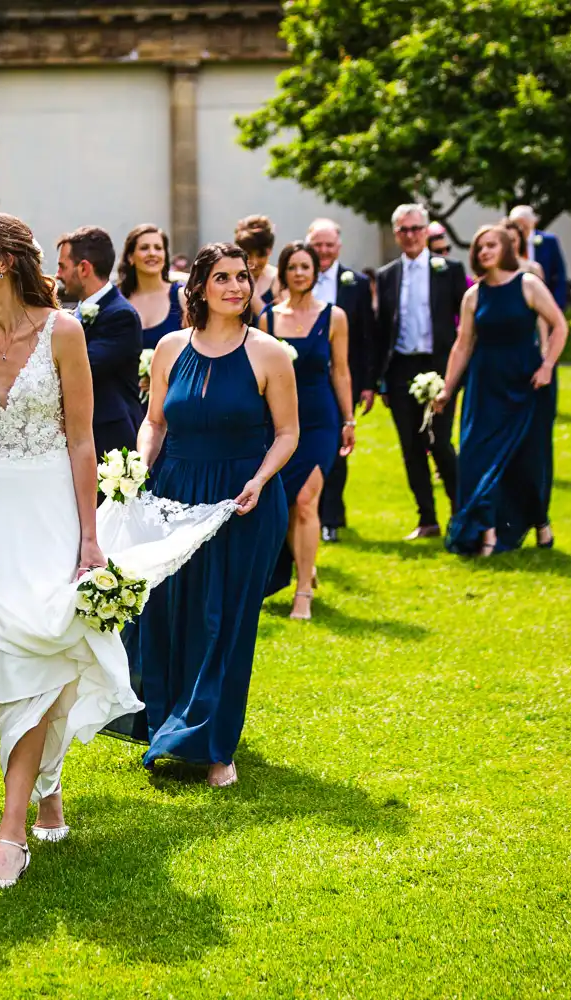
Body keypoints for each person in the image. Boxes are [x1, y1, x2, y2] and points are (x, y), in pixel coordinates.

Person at [0, 213, 230, 891]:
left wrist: (90, 538)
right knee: (14, 669)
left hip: (51, 512)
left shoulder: (62, 333)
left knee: (44, 655)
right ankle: (47, 784)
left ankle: (11, 833)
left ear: (2, 260)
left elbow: (82, 439)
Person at [136, 242, 298, 787]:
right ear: (200, 287)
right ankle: (167, 727)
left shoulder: (270, 353)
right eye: (223, 278)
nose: (236, 287)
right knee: (171, 612)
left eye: (243, 277)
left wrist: (258, 480)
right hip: (175, 494)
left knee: (224, 621)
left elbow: (287, 433)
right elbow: (156, 421)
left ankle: (217, 748)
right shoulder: (169, 347)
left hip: (243, 500)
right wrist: (139, 467)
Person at [434, 223, 569, 555]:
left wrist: (547, 366)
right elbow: (462, 346)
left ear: (506, 249)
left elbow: (560, 325)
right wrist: (447, 389)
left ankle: (541, 523)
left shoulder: (528, 284)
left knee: (528, 461)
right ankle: (488, 533)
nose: (485, 252)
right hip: (485, 387)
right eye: (480, 247)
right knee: (476, 458)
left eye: (491, 245)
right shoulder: (473, 295)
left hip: (527, 384)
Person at [261, 241, 355, 619]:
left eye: (306, 267)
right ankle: (306, 564)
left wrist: (348, 420)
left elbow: (341, 371)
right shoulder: (267, 318)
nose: (300, 273)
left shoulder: (335, 317)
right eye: (293, 267)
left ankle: (303, 593)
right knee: (282, 504)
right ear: (282, 273)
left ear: (316, 272)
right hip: (280, 422)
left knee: (305, 500)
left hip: (320, 421)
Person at [374, 204, 469, 539]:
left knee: (440, 441)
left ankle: (461, 511)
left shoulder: (449, 270)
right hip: (401, 367)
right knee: (411, 446)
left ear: (427, 231)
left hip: (439, 364)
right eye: (404, 230)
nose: (410, 235)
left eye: (416, 228)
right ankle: (427, 518)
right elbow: (381, 330)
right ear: (397, 234)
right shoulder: (387, 275)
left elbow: (467, 322)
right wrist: (380, 380)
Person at [306, 218, 375, 543]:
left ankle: (331, 516)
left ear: (339, 247)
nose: (323, 251)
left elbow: (365, 337)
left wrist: (367, 383)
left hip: (341, 377)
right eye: (317, 245)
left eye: (329, 245)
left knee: (336, 449)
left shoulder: (356, 283)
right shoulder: (295, 277)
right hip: (305, 377)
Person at [56, 226, 145, 459]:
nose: (58, 275)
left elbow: (82, 367)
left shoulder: (120, 315)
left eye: (62, 266)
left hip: (110, 441)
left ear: (84, 268)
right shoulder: (75, 312)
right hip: (81, 437)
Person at [118, 223, 187, 350]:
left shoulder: (182, 297)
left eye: (158, 248)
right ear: (130, 257)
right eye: (144, 248)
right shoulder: (117, 300)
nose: (152, 253)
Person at [508, 205, 570, 310]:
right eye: (517, 224)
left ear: (533, 223)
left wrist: (558, 304)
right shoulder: (509, 242)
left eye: (525, 225)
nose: (521, 228)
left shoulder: (549, 241)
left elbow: (559, 274)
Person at [234, 215, 281, 318]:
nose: (254, 262)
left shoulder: (279, 279)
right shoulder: (231, 278)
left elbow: (276, 324)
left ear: (270, 250)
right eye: (248, 254)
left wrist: (252, 294)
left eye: (261, 255)